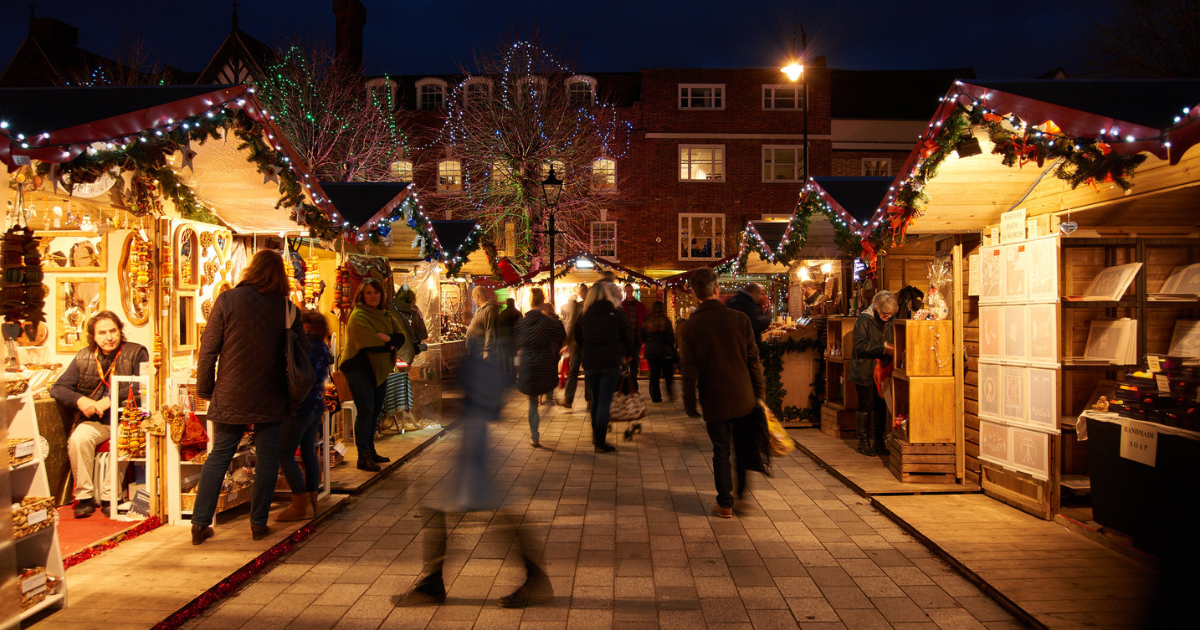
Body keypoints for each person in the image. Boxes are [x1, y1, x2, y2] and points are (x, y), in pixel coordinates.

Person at [193, 250, 308, 545]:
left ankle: (200, 523)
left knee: (219, 456)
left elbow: (208, 350)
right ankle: (258, 524)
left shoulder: (227, 300)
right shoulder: (286, 307)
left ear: (251, 270)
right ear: (281, 275)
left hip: (231, 390)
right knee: (267, 459)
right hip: (270, 390)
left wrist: (205, 389)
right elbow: (302, 351)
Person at [678, 268, 766, 519]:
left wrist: (689, 402)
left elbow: (689, 368)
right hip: (743, 395)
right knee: (742, 446)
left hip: (714, 397)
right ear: (716, 289)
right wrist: (759, 393)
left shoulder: (692, 325)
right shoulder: (739, 319)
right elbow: (753, 360)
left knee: (721, 450)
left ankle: (725, 503)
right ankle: (742, 495)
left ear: (696, 294)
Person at [51, 311, 149, 519]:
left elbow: (145, 385)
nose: (109, 337)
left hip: (126, 418)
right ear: (93, 336)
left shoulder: (137, 352)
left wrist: (112, 399)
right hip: (96, 420)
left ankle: (109, 497)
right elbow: (58, 388)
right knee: (78, 439)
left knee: (122, 442)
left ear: (120, 331)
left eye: (113, 331)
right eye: (102, 333)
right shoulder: (84, 356)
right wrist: (81, 400)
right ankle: (84, 497)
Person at [340, 278, 406, 473]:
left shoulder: (385, 315)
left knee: (376, 411)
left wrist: (386, 338)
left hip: (378, 369)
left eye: (376, 292)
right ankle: (363, 456)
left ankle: (371, 450)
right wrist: (388, 342)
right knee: (366, 411)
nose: (373, 296)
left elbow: (400, 336)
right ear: (361, 295)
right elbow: (369, 342)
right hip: (359, 368)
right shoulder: (358, 316)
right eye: (368, 292)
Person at [275, 310, 332, 522]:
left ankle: (299, 504)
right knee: (309, 451)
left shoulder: (305, 345)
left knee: (284, 453)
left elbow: (296, 375)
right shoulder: (322, 346)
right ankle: (313, 500)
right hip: (315, 405)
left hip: (300, 406)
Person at [574, 282, 632, 453]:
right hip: (611, 362)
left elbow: (578, 337)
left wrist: (585, 350)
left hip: (591, 362)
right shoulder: (616, 314)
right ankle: (600, 442)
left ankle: (596, 436)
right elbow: (627, 336)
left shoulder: (584, 315)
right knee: (605, 402)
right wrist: (627, 354)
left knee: (596, 399)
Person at [516, 288, 566, 447]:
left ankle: (534, 435)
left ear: (530, 302)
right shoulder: (549, 322)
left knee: (532, 402)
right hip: (544, 362)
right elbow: (561, 334)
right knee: (544, 391)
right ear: (542, 302)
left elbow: (516, 343)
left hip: (527, 364)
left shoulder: (522, 323)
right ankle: (549, 399)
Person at [850, 291, 898, 457]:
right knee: (866, 405)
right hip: (865, 369)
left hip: (883, 370)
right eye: (884, 313)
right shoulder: (863, 320)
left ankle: (879, 442)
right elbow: (860, 345)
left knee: (880, 406)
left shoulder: (891, 321)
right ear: (876, 308)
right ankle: (863, 442)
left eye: (890, 313)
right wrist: (884, 347)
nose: (887, 316)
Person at [559, 283, 589, 409]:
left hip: (585, 344)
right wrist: (567, 343)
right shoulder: (577, 307)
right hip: (577, 344)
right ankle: (569, 399)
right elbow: (571, 326)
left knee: (584, 372)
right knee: (574, 371)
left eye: (582, 291)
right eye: (581, 291)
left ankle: (588, 399)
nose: (581, 293)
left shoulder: (587, 306)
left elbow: (572, 326)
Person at [641, 301, 676, 403]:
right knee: (668, 374)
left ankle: (656, 397)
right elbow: (670, 338)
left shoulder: (647, 321)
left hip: (651, 351)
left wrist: (649, 342)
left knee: (654, 375)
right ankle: (670, 393)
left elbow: (642, 335)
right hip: (665, 352)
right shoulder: (665, 321)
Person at [726, 283, 772, 347]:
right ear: (754, 293)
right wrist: (768, 315)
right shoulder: (746, 305)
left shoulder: (738, 300)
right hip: (746, 345)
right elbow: (757, 324)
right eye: (761, 294)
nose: (762, 297)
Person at [620, 284, 647, 393]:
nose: (629, 293)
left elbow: (643, 322)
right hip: (625, 340)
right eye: (628, 291)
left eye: (631, 291)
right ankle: (626, 387)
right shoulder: (621, 306)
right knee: (625, 365)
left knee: (634, 364)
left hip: (636, 339)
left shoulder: (640, 306)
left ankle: (634, 387)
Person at [466, 286, 500, 361]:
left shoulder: (490, 310)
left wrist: (487, 352)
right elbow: (478, 327)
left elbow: (490, 331)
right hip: (477, 353)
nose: (473, 300)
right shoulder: (480, 310)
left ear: (478, 296)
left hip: (483, 355)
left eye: (473, 297)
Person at [497, 297, 523, 381]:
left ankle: (508, 374)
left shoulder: (503, 314)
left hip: (505, 339)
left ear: (507, 303)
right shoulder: (518, 313)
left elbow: (500, 328)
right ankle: (515, 374)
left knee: (506, 357)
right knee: (515, 357)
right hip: (515, 339)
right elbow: (521, 327)